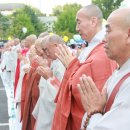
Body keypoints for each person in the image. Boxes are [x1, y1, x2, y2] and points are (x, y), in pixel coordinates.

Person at [51, 5, 117, 130]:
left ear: (93, 21)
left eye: (79, 22)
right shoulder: (91, 47)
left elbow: (86, 88)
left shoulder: (103, 50)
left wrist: (71, 66)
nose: (76, 28)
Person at [77, 7, 130, 130]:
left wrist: (93, 111)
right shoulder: (120, 71)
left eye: (108, 31)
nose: (103, 39)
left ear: (128, 35)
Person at [32, 34, 65, 130]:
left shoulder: (63, 62)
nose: (45, 53)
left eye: (46, 49)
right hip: (47, 109)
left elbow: (62, 92)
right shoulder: (56, 61)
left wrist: (50, 78)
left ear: (55, 45)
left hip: (54, 113)